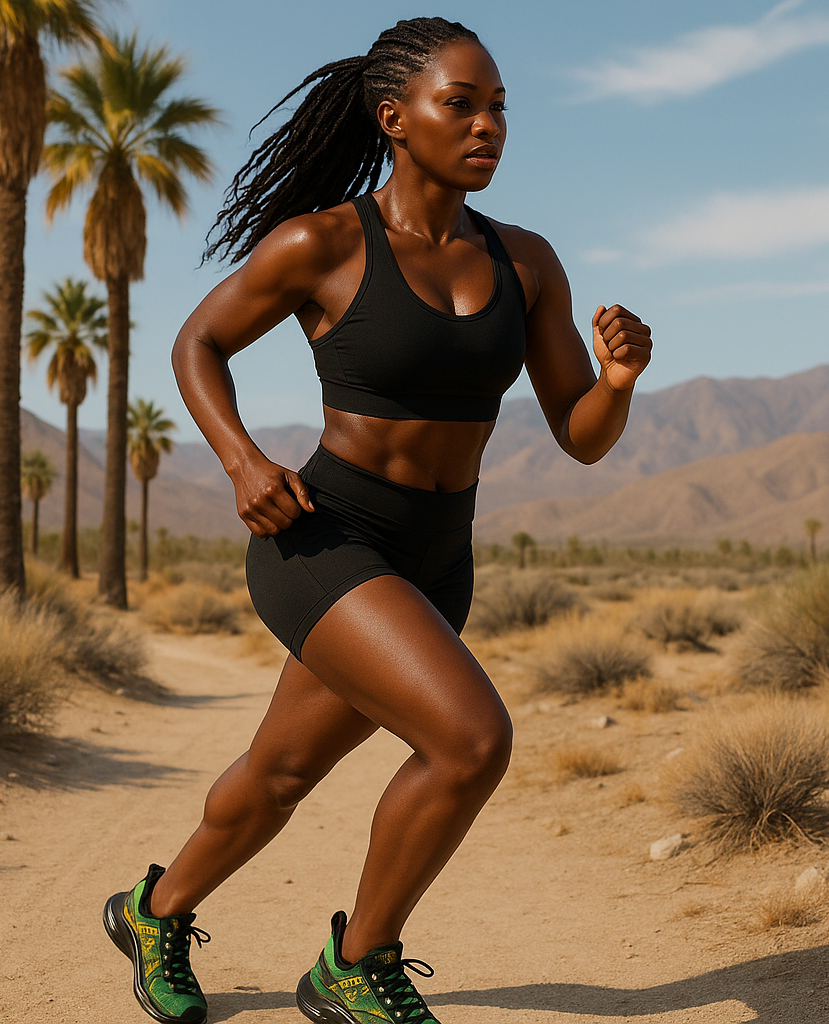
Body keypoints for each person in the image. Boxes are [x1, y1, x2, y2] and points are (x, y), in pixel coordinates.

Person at [102, 16, 652, 1024]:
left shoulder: (525, 262)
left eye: (498, 109)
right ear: (396, 118)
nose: (487, 125)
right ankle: (356, 961)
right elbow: (198, 343)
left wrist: (615, 379)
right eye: (462, 104)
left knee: (278, 774)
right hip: (325, 536)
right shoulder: (323, 242)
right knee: (471, 739)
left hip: (439, 560)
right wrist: (240, 461)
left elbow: (581, 434)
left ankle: (153, 909)